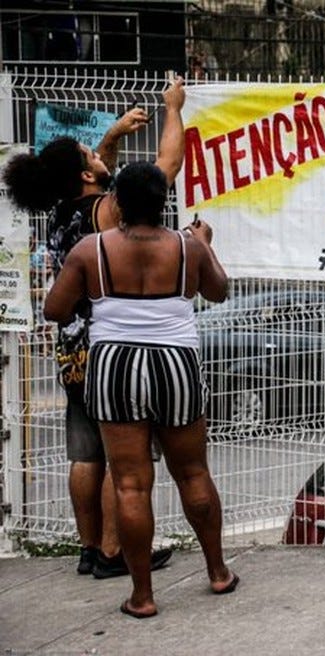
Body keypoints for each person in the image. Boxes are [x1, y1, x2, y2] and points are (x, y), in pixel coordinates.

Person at [1, 77, 186, 578]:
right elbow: (165, 169)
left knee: (85, 454)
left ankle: (88, 548)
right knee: (122, 456)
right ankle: (114, 551)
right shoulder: (108, 212)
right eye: (91, 152)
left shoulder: (63, 212)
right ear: (86, 174)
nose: (98, 152)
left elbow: (97, 171)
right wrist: (174, 108)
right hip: (107, 347)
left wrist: (113, 134)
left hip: (70, 350)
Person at [44, 161, 237, 619]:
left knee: (131, 484)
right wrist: (206, 247)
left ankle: (143, 597)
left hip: (114, 366)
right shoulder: (189, 248)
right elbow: (220, 292)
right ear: (163, 203)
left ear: (119, 203)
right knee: (193, 473)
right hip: (177, 363)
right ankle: (217, 572)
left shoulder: (92, 250)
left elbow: (55, 309)